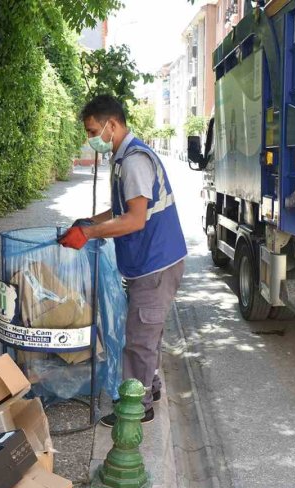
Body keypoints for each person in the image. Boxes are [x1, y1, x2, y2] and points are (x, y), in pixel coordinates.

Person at [59, 95, 187, 427]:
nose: (91, 139)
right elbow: (119, 210)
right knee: (149, 333)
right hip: (151, 260)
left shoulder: (133, 161)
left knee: (139, 338)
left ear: (112, 125)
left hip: (156, 263)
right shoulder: (123, 157)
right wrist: (89, 222)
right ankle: (151, 387)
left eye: (92, 131)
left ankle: (137, 407)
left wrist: (90, 234)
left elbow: (135, 220)